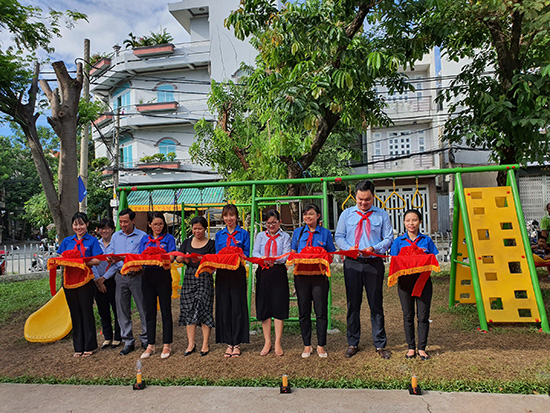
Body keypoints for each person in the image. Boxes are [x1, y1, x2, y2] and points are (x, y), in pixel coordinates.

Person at [334, 180, 393, 359]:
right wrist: (349, 248)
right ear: (356, 197)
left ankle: (380, 344)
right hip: (352, 263)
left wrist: (374, 248)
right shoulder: (346, 214)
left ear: (373, 197)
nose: (363, 203)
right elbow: (339, 236)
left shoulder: (382, 215)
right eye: (360, 199)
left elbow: (389, 238)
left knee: (376, 303)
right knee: (353, 303)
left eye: (366, 200)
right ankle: (353, 342)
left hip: (373, 263)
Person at [390, 209, 438, 360]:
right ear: (404, 223)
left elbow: (432, 261)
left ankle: (422, 348)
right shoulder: (398, 242)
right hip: (405, 284)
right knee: (408, 316)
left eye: (415, 220)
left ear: (420, 222)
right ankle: (411, 347)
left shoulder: (427, 241)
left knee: (423, 316)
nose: (411, 223)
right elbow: (394, 262)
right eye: (408, 220)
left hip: (423, 282)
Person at [291, 204, 336, 358]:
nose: (307, 217)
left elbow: (331, 255)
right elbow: (293, 254)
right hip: (301, 277)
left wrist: (319, 255)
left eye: (311, 214)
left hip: (319, 278)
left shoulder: (325, 234)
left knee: (321, 311)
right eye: (305, 214)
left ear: (318, 216)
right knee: (304, 311)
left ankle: (321, 345)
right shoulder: (297, 233)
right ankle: (307, 345)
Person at [57, 212, 102, 357]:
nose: (78, 227)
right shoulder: (67, 241)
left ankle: (89, 345)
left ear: (87, 225)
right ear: (72, 226)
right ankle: (78, 346)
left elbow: (97, 260)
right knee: (75, 313)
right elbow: (60, 258)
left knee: (86, 312)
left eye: (81, 224)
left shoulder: (92, 241)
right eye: (76, 224)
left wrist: (81, 261)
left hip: (85, 281)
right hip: (69, 281)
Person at [105, 208, 147, 356]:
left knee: (143, 307)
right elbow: (111, 254)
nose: (122, 224)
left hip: (137, 275)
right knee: (122, 309)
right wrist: (111, 259)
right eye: (120, 221)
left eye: (126, 221)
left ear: (133, 221)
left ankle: (146, 338)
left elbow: (143, 257)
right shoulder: (116, 236)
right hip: (120, 276)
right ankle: (128, 340)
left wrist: (127, 259)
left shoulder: (143, 236)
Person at [253, 210, 291, 357]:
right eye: (268, 223)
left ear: (279, 222)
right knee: (265, 306)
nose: (271, 225)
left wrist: (275, 259)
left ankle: (277, 342)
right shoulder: (260, 236)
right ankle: (267, 341)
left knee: (279, 306)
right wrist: (263, 257)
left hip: (278, 272)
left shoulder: (285, 236)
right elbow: (255, 252)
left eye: (274, 222)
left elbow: (287, 255)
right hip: (263, 273)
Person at [176, 216, 216, 357]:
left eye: (199, 228)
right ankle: (191, 343)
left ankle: (205, 343)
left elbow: (213, 262)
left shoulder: (211, 243)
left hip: (205, 276)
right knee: (189, 308)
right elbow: (178, 257)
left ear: (205, 229)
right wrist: (183, 258)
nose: (197, 231)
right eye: (194, 229)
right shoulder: (187, 242)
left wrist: (200, 259)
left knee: (204, 307)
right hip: (189, 276)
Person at [214, 204, 250, 358]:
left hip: (237, 273)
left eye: (232, 215)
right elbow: (216, 254)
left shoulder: (243, 234)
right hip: (222, 274)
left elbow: (247, 254)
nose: (229, 219)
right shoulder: (219, 235)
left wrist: (237, 254)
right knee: (225, 307)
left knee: (237, 307)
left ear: (236, 217)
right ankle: (228, 342)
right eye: (226, 215)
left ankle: (237, 343)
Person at [139, 212, 176, 359]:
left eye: (160, 224)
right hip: (147, 276)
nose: (158, 227)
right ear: (149, 225)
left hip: (163, 275)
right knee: (150, 311)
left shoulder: (169, 238)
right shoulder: (144, 239)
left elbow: (172, 256)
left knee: (166, 310)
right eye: (155, 224)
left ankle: (167, 344)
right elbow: (140, 257)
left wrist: (162, 258)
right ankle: (151, 345)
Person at [93, 218, 121, 349]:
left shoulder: (116, 244)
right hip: (97, 281)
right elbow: (92, 264)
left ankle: (118, 337)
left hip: (113, 280)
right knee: (103, 310)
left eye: (107, 228)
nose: (104, 231)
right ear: (98, 230)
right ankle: (107, 337)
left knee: (116, 309)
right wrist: (98, 281)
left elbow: (117, 264)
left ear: (112, 230)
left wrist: (104, 278)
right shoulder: (95, 244)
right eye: (102, 228)